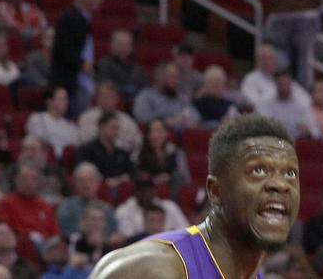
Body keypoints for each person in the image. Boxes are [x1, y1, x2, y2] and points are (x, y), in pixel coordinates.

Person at [90, 115, 300, 279]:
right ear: (215, 191)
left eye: (290, 173)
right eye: (259, 170)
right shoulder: (152, 267)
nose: (281, 185)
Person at [53, 0, 106, 114]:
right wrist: (82, 63)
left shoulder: (83, 19)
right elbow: (64, 49)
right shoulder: (71, 18)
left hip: (80, 79)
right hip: (71, 81)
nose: (100, 3)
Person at [0, 162, 61, 246]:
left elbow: (55, 234)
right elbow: (4, 232)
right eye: (24, 179)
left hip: (45, 247)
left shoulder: (46, 206)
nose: (29, 183)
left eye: (33, 179)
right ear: (17, 181)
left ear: (38, 182)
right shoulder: (7, 203)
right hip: (19, 245)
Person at [113, 175, 188, 238]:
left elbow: (185, 230)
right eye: (142, 189)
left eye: (149, 188)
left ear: (154, 189)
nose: (146, 192)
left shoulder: (170, 206)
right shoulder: (123, 211)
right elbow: (129, 237)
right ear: (135, 191)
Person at [133, 63, 201, 129]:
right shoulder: (146, 95)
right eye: (173, 77)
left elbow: (196, 117)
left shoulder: (182, 98)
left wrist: (191, 121)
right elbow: (142, 117)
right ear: (161, 77)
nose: (176, 81)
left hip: (181, 133)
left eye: (177, 77)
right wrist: (164, 121)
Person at [256, 70, 319, 140]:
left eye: (287, 83)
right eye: (281, 83)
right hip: (273, 142)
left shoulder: (301, 103)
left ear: (291, 84)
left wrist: (308, 130)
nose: (284, 87)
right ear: (276, 84)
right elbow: (261, 127)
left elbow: (315, 130)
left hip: (298, 143)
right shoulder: (265, 102)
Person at [26, 87, 82, 156]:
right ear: (49, 102)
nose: (66, 102)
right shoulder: (37, 119)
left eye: (66, 99)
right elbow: (38, 142)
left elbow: (75, 147)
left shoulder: (71, 126)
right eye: (62, 99)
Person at [96, 28, 148, 99]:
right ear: (111, 45)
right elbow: (104, 86)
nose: (123, 48)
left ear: (131, 48)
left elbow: (146, 89)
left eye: (127, 45)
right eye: (119, 44)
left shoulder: (136, 68)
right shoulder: (102, 64)